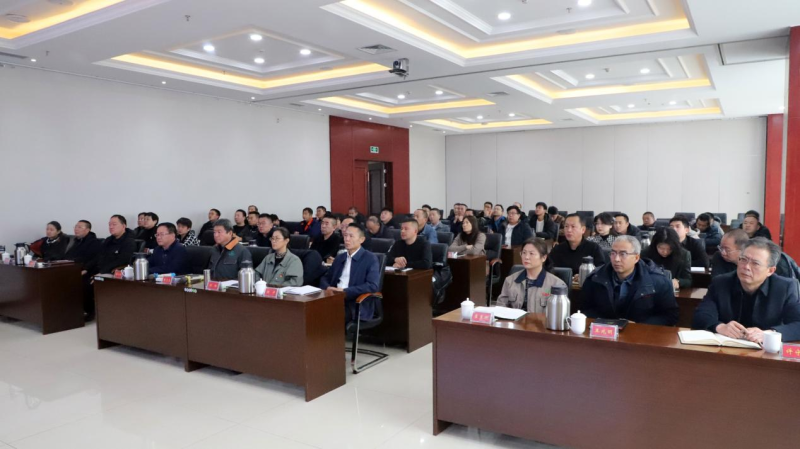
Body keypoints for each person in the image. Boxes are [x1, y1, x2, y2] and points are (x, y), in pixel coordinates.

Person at [693, 238, 800, 342]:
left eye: (755, 263)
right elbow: (701, 315)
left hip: (765, 350)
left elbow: (797, 324)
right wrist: (720, 327)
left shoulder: (785, 288)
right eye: (743, 259)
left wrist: (768, 334)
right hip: (727, 348)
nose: (746, 267)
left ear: (770, 271)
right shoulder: (721, 283)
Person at [582, 236, 679, 326]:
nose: (616, 259)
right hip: (605, 331)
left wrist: (639, 325)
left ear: (636, 258)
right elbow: (585, 310)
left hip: (643, 333)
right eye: (613, 253)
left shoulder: (658, 281)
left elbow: (670, 316)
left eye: (623, 254)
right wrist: (607, 323)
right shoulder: (595, 278)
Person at [321, 223, 381, 325]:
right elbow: (326, 277)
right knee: (312, 311)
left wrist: (344, 291)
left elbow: (372, 285)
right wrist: (327, 287)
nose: (347, 239)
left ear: (361, 239)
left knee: (331, 315)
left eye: (351, 236)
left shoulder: (370, 258)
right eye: (345, 235)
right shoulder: (340, 257)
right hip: (335, 298)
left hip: (355, 303)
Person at [497, 239, 567, 313]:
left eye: (531, 253)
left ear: (544, 258)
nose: (526, 257)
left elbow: (559, 314)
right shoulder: (510, 280)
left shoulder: (556, 284)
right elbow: (500, 308)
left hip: (542, 320)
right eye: (524, 253)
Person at [64, 220, 102, 321]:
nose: (76, 229)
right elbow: (68, 256)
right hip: (74, 268)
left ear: (87, 230)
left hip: (91, 270)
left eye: (80, 227)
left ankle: (89, 310)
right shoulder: (76, 241)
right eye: (75, 227)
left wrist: (85, 269)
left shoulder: (94, 242)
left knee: (83, 282)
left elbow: (95, 259)